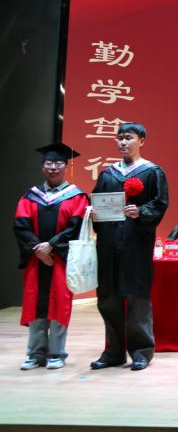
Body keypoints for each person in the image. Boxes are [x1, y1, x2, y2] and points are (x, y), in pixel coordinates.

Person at [90, 122, 168, 371]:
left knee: (137, 298)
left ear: (141, 141)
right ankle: (113, 352)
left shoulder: (152, 172)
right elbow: (98, 202)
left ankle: (141, 351)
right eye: (120, 138)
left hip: (136, 244)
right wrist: (92, 213)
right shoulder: (108, 174)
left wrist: (141, 211)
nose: (123, 142)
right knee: (108, 298)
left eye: (129, 138)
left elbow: (160, 203)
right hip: (109, 244)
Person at [13, 143, 89, 370]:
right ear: (42, 166)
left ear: (66, 166)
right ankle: (35, 354)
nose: (53, 167)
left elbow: (76, 227)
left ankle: (56, 353)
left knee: (59, 304)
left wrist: (52, 247)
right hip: (36, 260)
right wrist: (38, 249)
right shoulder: (30, 196)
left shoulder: (77, 196)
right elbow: (21, 226)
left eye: (58, 163)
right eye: (49, 163)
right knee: (35, 303)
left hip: (61, 261)